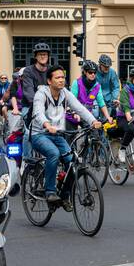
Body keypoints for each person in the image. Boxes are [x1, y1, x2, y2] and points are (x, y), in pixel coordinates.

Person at [31, 65, 103, 204]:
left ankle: (64, 195)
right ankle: (50, 191)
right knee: (53, 154)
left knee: (72, 161)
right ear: (49, 81)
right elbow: (38, 113)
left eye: (63, 77)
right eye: (57, 77)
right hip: (39, 134)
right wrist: (47, 125)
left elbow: (80, 108)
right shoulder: (41, 94)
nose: (61, 80)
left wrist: (93, 120)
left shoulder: (65, 93)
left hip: (57, 134)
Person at [16, 43, 53, 114]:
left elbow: (59, 88)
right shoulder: (28, 70)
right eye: (40, 54)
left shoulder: (52, 70)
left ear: (48, 56)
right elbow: (29, 90)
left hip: (49, 105)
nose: (43, 57)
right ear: (35, 56)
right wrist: (39, 106)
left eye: (45, 54)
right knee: (27, 119)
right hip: (30, 105)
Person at [67, 60, 104, 128]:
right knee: (71, 133)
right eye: (90, 72)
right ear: (85, 72)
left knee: (95, 132)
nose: (93, 74)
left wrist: (108, 117)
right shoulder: (77, 83)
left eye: (95, 73)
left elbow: (101, 103)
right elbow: (71, 101)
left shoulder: (97, 85)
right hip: (74, 114)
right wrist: (74, 113)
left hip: (86, 114)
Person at [96, 53, 121, 118]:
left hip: (108, 100)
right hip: (95, 99)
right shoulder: (94, 71)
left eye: (108, 66)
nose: (107, 68)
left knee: (106, 120)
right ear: (100, 65)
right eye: (105, 66)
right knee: (95, 116)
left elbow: (116, 87)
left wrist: (114, 98)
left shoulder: (112, 72)